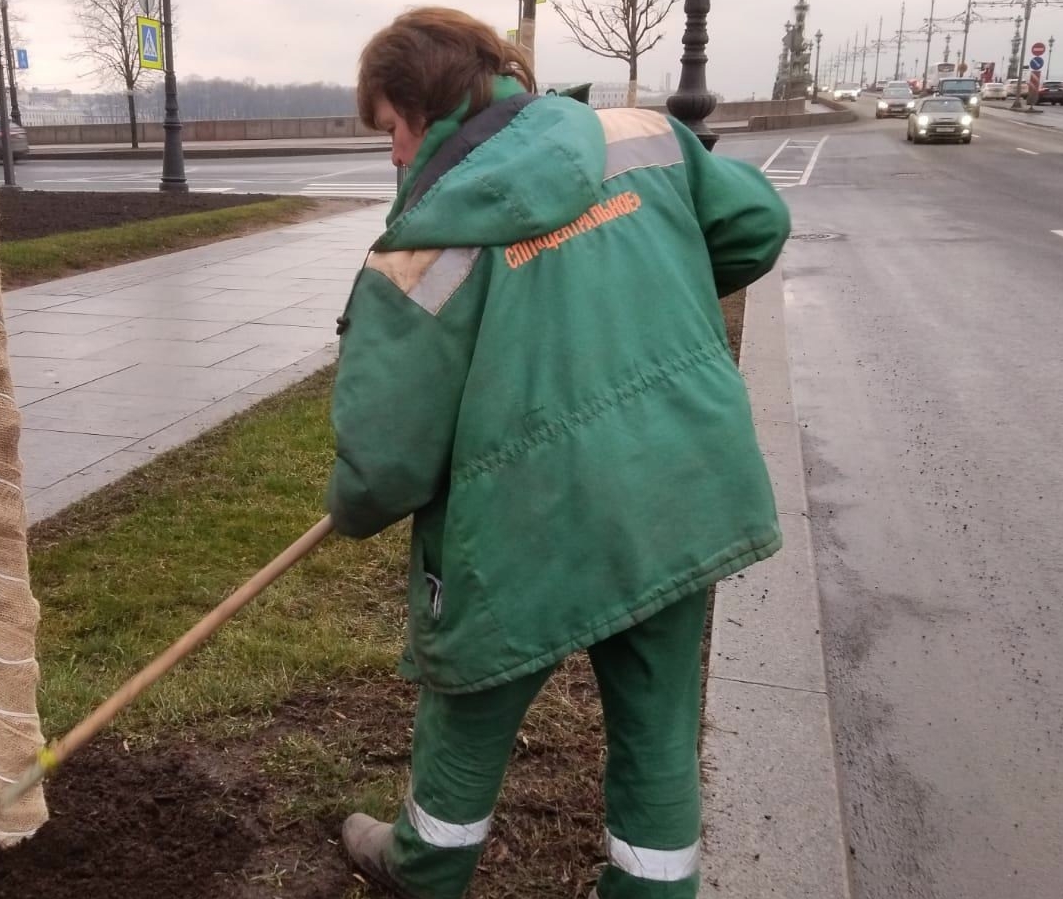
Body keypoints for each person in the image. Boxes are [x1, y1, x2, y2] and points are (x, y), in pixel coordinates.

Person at [327, 8, 791, 899]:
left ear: (426, 110)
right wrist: (637, 302)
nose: (390, 156)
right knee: (658, 719)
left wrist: (351, 508)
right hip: (680, 484)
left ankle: (423, 867)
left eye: (388, 130)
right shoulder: (645, 137)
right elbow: (755, 225)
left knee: (470, 700)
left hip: (523, 524)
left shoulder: (419, 253)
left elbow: (385, 459)